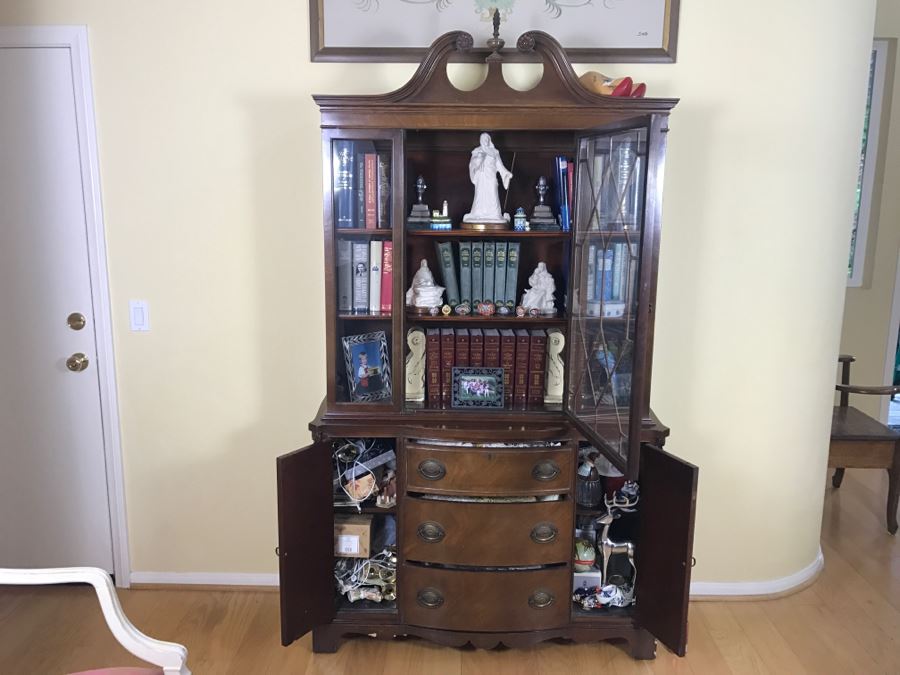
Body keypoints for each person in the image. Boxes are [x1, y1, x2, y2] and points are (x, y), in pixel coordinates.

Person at [463, 132, 512, 223]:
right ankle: (477, 213)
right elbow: (472, 164)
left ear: (489, 140)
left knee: (493, 193)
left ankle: (495, 215)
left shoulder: (495, 152)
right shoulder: (477, 151)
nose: (485, 141)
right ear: (480, 140)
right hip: (481, 178)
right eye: (483, 139)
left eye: (487, 139)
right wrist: (478, 161)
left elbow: (500, 166)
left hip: (491, 177)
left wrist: (506, 173)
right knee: (480, 196)